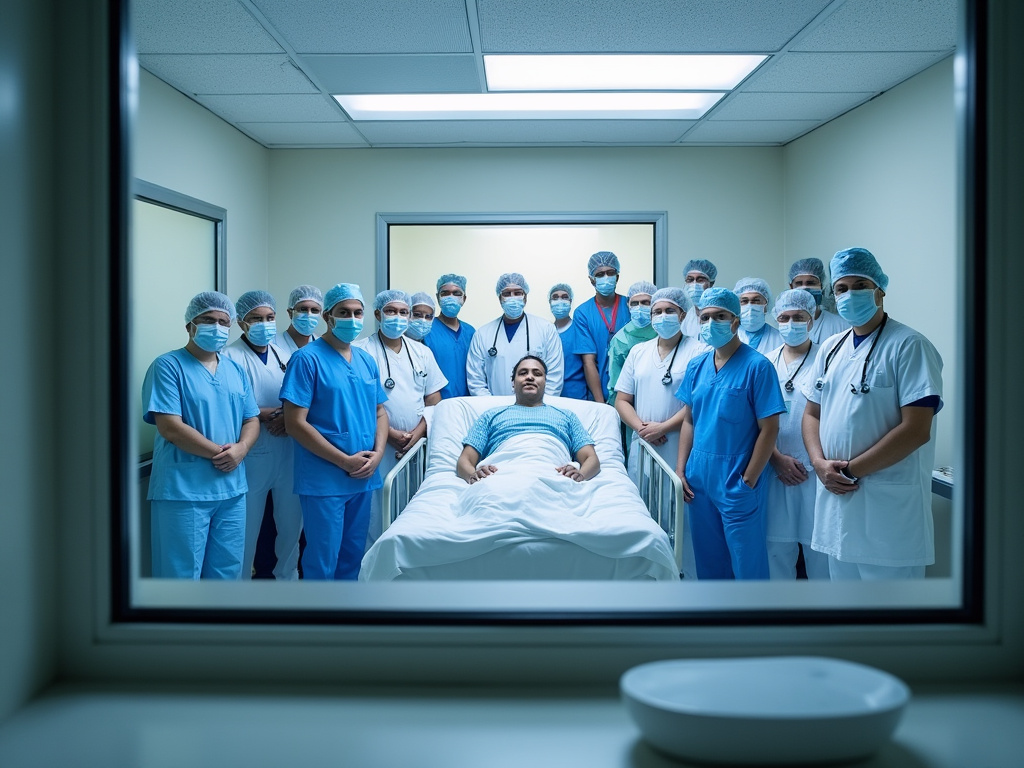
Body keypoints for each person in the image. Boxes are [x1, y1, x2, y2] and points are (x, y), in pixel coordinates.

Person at [802, 247, 943, 580]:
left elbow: (916, 429)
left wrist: (850, 471)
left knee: (891, 622)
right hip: (839, 506)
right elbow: (811, 414)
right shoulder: (831, 347)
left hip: (888, 513)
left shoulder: (909, 345)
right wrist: (820, 465)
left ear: (880, 289)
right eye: (841, 288)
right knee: (848, 616)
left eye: (860, 285)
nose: (850, 295)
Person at [142, 291, 260, 579]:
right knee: (180, 576)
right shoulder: (168, 366)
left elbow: (252, 418)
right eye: (208, 320)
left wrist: (242, 449)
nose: (217, 327)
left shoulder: (235, 370)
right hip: (184, 490)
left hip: (231, 489)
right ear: (189, 326)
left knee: (227, 573)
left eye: (223, 321)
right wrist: (223, 454)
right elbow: (169, 426)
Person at [675, 287, 786, 580]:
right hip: (698, 477)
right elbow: (689, 419)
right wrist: (680, 470)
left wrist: (748, 480)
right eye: (706, 317)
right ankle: (716, 621)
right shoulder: (697, 365)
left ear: (734, 321)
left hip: (736, 478)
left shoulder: (758, 367)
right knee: (708, 559)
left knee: (747, 562)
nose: (711, 323)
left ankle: (754, 622)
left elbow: (770, 428)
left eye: (720, 316)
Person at [280, 283, 389, 580]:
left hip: (363, 475)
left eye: (357, 313)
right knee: (323, 557)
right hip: (324, 478)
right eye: (344, 312)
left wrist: (378, 454)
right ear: (328, 316)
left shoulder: (366, 360)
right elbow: (295, 423)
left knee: (354, 554)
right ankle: (318, 622)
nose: (352, 319)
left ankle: (346, 618)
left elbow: (380, 411)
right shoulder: (307, 359)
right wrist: (344, 461)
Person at [614, 287, 703, 580]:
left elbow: (695, 402)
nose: (662, 317)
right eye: (657, 312)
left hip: (681, 445)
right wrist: (642, 428)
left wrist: (663, 427)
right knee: (645, 514)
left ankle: (688, 583)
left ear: (683, 314)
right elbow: (621, 400)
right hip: (644, 447)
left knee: (684, 519)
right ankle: (650, 583)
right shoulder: (639, 352)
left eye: (669, 311)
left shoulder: (699, 351)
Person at [355, 289, 447, 547]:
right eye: (391, 312)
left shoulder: (422, 353)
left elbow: (433, 398)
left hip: (416, 446)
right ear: (377, 314)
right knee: (375, 514)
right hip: (377, 446)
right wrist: (390, 434)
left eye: (403, 312)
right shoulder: (360, 351)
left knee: (412, 508)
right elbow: (358, 404)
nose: (398, 317)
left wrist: (418, 433)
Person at [222, 290, 303, 580]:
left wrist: (287, 418)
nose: (264, 324)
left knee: (291, 525)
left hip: (289, 449)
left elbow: (302, 397)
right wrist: (266, 414)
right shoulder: (229, 356)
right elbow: (228, 404)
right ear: (241, 323)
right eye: (256, 318)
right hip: (252, 454)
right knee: (245, 528)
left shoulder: (288, 353)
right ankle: (241, 587)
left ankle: (288, 581)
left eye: (269, 318)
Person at [763, 289, 828, 580]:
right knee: (775, 551)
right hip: (773, 469)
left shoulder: (828, 358)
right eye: (785, 317)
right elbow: (751, 419)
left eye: (798, 317)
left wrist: (815, 460)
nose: (791, 323)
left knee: (821, 553)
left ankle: (823, 619)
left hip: (816, 472)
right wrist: (775, 458)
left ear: (811, 319)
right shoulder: (762, 362)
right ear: (777, 319)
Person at [457, 355, 600, 485]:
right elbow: (465, 460)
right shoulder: (491, 415)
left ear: (545, 382)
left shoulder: (567, 416)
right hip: (502, 477)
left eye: (537, 374)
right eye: (523, 373)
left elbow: (591, 459)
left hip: (554, 476)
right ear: (513, 382)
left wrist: (580, 475)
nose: (530, 377)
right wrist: (473, 475)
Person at [466, 272, 564, 397]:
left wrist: (540, 409)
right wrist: (492, 409)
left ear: (525, 297)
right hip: (495, 409)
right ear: (500, 298)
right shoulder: (482, 334)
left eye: (518, 293)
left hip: (536, 410)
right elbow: (476, 381)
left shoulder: (546, 329)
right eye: (507, 294)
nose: (512, 298)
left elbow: (554, 378)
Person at [572, 251, 630, 402]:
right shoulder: (583, 313)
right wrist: (600, 403)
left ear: (617, 276)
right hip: (601, 392)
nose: (606, 277)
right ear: (592, 279)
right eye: (600, 274)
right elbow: (588, 361)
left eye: (610, 273)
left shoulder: (631, 306)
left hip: (632, 389)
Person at [422, 273, 475, 399]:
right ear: (438, 297)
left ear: (464, 299)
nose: (451, 297)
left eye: (457, 293)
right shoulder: (426, 329)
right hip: (435, 403)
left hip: (467, 403)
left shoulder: (471, 332)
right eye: (445, 293)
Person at [606, 280, 658, 405]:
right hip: (630, 404)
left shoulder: (664, 333)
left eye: (646, 303)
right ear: (628, 304)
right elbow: (615, 384)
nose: (639, 307)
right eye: (635, 303)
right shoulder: (620, 339)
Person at [787, 257, 850, 344]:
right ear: (791, 287)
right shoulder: (785, 326)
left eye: (811, 283)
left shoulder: (841, 326)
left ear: (822, 285)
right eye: (799, 283)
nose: (805, 288)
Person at [549, 283, 588, 399]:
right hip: (550, 395)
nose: (559, 300)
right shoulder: (547, 332)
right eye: (555, 297)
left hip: (576, 395)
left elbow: (589, 364)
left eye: (564, 297)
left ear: (570, 302)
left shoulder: (579, 329)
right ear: (550, 303)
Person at [734, 277, 783, 355]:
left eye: (756, 301)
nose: (750, 306)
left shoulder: (780, 339)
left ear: (766, 306)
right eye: (744, 301)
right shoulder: (727, 337)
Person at [680, 259, 718, 339]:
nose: (694, 284)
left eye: (700, 280)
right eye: (690, 280)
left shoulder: (720, 312)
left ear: (711, 283)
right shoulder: (685, 315)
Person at [279, 284, 323, 354]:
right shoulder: (274, 345)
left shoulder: (323, 347)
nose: (309, 314)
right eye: (303, 309)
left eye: (314, 310)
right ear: (290, 313)